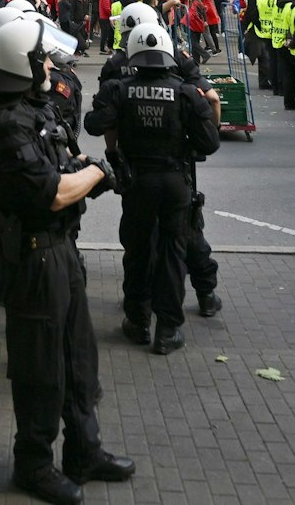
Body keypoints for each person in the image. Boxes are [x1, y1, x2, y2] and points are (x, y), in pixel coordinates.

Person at [0, 15, 132, 505]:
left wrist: (79, 168)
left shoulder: (30, 108)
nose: (49, 66)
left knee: (79, 358)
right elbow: (52, 192)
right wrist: (97, 173)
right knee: (41, 368)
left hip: (59, 250)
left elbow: (57, 169)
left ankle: (84, 450)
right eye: (41, 58)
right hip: (33, 257)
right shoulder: (2, 121)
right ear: (21, 63)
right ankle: (34, 463)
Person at [85, 21, 220, 355]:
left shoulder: (119, 89)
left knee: (138, 251)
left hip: (138, 183)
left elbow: (93, 124)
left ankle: (138, 321)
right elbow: (209, 143)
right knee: (173, 253)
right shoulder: (185, 92)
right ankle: (168, 330)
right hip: (175, 182)